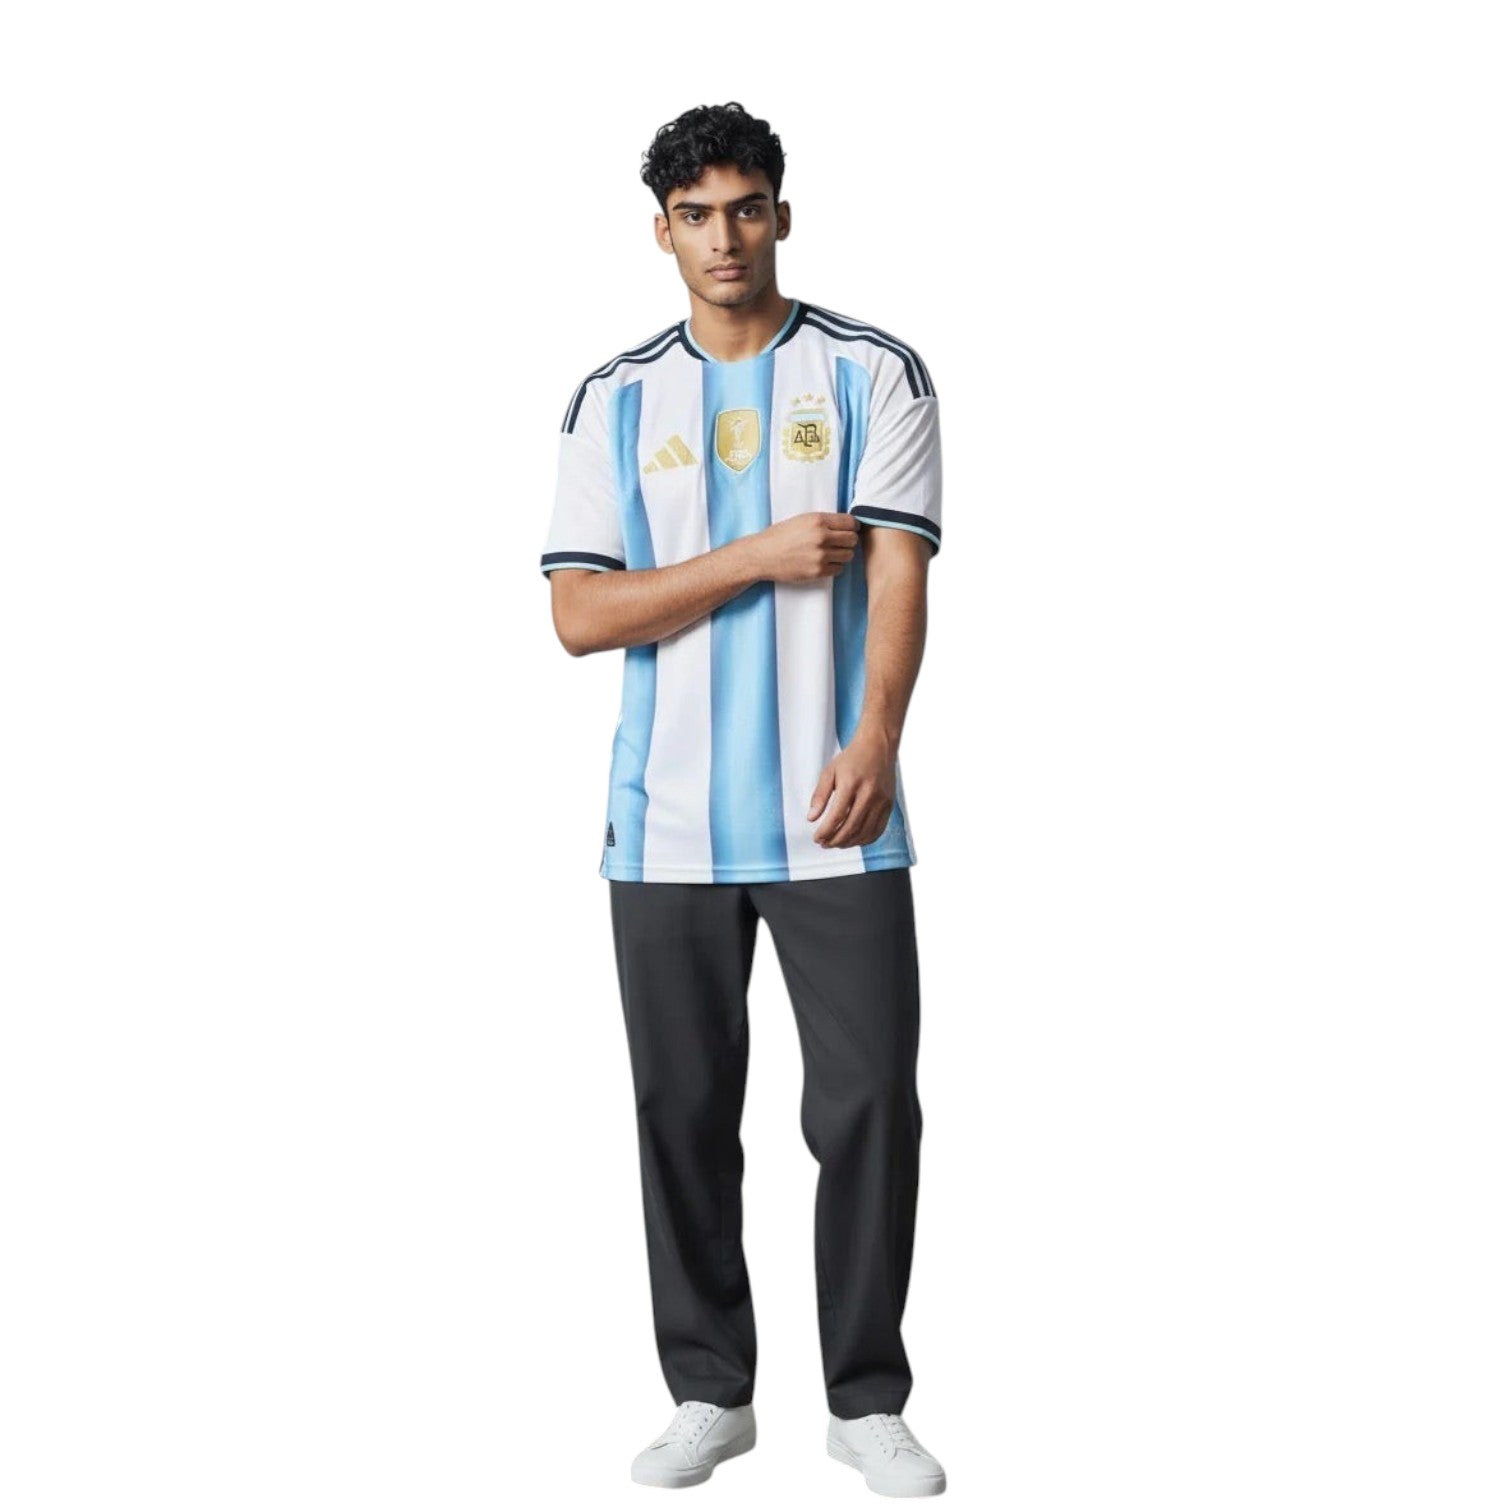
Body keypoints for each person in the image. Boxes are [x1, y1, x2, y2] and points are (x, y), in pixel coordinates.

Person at [539, 102, 947, 1498]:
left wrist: (877, 737)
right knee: (683, 1111)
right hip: (665, 822)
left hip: (839, 813)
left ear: (783, 213)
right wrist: (757, 555)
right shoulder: (612, 399)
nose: (726, 237)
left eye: (747, 207)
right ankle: (710, 1391)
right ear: (661, 231)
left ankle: (865, 1397)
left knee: (871, 1103)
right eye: (697, 215)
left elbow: (899, 573)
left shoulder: (875, 372)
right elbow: (581, 616)